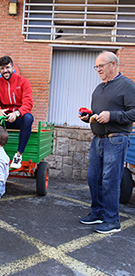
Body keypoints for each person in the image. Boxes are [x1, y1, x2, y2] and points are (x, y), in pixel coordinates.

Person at [78, 51, 135, 234]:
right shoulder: (99, 88)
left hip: (116, 140)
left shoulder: (126, 85)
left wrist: (112, 116)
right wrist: (88, 118)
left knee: (110, 181)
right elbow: (98, 115)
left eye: (101, 66)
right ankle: (98, 212)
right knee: (93, 178)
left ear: (113, 64)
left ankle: (112, 220)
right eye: (96, 66)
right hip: (98, 140)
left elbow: (133, 112)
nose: (98, 69)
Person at [0, 56, 33, 169]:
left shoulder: (24, 82)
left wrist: (17, 113)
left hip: (18, 118)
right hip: (3, 119)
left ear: (12, 67)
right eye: (2, 68)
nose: (5, 70)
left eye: (7, 67)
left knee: (28, 118)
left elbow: (28, 103)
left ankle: (19, 154)